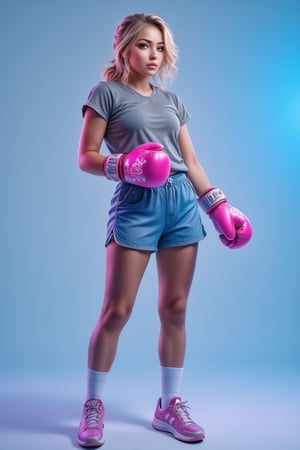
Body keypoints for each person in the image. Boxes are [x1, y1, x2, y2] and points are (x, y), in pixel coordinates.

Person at [76, 13, 252, 448]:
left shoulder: (172, 102)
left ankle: (168, 406)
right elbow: (86, 156)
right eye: (143, 46)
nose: (152, 55)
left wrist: (218, 206)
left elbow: (189, 162)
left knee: (175, 308)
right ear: (124, 49)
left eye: (158, 47)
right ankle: (93, 406)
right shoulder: (106, 94)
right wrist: (125, 166)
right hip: (136, 204)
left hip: (180, 206)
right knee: (117, 310)